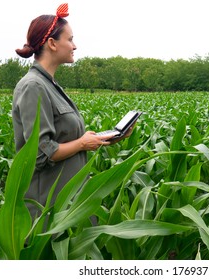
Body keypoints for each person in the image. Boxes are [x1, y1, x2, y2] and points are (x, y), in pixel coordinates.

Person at [12, 3, 131, 217]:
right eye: (70, 39)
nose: (74, 46)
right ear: (52, 43)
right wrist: (82, 143)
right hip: (48, 206)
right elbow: (41, 152)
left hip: (68, 201)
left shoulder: (49, 84)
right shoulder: (34, 86)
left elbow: (65, 139)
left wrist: (102, 139)